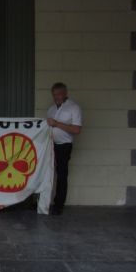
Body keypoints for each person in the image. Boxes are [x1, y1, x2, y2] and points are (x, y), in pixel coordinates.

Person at [47, 82, 82, 215]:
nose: (57, 97)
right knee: (46, 173)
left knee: (61, 175)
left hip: (64, 146)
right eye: (54, 94)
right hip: (49, 145)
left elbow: (77, 129)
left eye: (59, 94)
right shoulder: (51, 109)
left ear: (65, 93)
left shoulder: (74, 108)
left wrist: (56, 124)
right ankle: (43, 200)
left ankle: (58, 205)